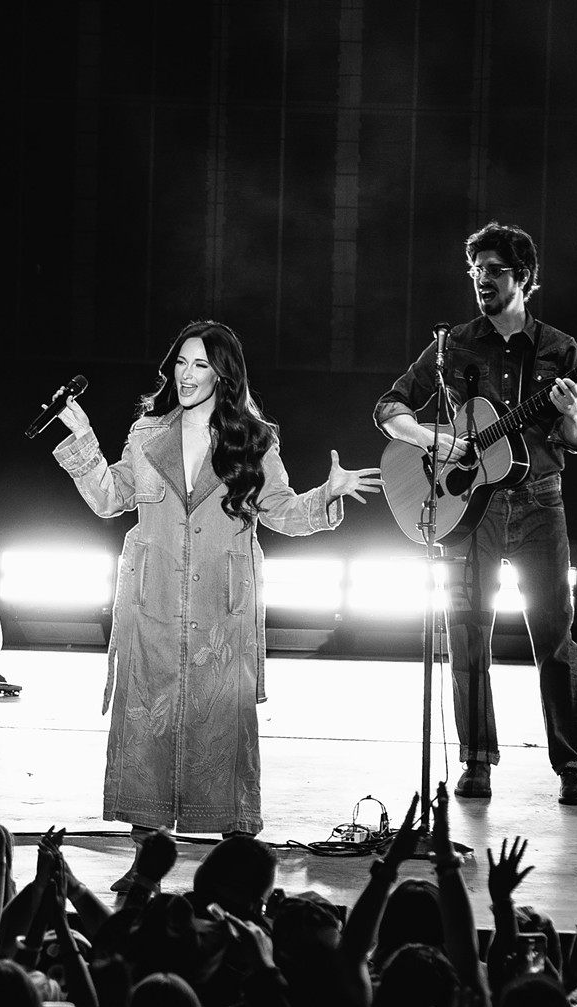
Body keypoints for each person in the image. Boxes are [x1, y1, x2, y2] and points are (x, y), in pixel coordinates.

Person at [53, 318, 382, 888]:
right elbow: (110, 499)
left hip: (220, 608)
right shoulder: (145, 434)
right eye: (180, 363)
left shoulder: (254, 440)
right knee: (148, 719)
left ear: (223, 373)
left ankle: (238, 859)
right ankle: (145, 858)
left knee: (225, 722)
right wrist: (83, 437)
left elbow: (280, 511)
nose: (186, 375)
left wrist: (327, 495)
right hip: (152, 601)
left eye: (201, 364)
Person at [374, 222, 577, 806]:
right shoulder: (454, 345)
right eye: (475, 271)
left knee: (554, 637)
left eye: (494, 271)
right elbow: (389, 406)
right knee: (469, 633)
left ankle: (571, 767)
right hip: (469, 509)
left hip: (540, 502)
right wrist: (431, 439)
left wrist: (570, 414)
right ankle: (476, 761)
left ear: (524, 279)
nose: (482, 281)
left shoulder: (561, 350)